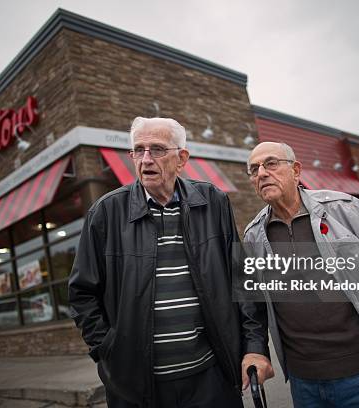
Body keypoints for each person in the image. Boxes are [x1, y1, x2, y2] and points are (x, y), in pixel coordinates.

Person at [68, 117, 272, 408]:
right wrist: (109, 349)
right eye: (139, 150)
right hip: (138, 389)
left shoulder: (212, 202)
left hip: (211, 380)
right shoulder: (106, 213)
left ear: (182, 158)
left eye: (158, 149)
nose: (146, 159)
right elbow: (82, 294)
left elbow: (242, 281)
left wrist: (255, 348)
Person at [242, 141, 359, 407]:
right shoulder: (253, 235)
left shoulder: (345, 209)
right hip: (305, 386)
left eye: (270, 163)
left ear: (296, 170)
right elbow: (255, 303)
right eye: (253, 169)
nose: (261, 173)